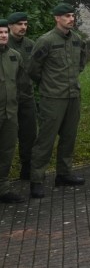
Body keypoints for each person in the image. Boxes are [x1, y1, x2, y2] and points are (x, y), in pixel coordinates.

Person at [28, 3, 87, 198]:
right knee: (45, 140)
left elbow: (80, 64)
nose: (71, 19)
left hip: (72, 95)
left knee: (69, 137)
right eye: (67, 16)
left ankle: (64, 173)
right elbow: (33, 69)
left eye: (72, 15)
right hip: (53, 97)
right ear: (57, 18)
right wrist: (49, 84)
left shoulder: (77, 40)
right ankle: (36, 179)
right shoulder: (46, 41)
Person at [6, 12, 37, 180]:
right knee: (6, 138)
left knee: (29, 134)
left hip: (27, 97)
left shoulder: (30, 44)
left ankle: (27, 168)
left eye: (25, 24)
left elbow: (37, 67)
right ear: (10, 26)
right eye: (19, 24)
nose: (23, 27)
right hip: (7, 100)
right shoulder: (4, 44)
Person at [0, 19, 25, 203]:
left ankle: (3, 188)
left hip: (10, 113)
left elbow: (21, 82)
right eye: (0, 33)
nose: (3, 36)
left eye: (5, 33)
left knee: (7, 150)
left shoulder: (14, 56)